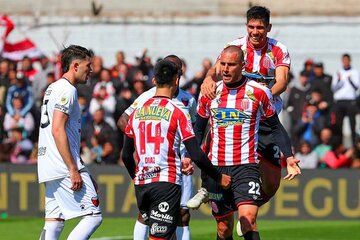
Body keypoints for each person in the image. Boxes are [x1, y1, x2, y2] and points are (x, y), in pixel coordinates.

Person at [189, 5, 301, 222]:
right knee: (213, 136)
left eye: (260, 27)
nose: (255, 31)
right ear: (246, 26)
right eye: (251, 26)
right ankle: (207, 187)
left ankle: (248, 206)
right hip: (235, 111)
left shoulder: (278, 50)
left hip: (266, 116)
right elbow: (215, 70)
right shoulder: (235, 46)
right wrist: (207, 80)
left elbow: (282, 81)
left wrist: (259, 97)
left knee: (271, 179)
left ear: (268, 28)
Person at [121, 59, 231, 240]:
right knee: (162, 236)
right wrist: (218, 176)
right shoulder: (178, 111)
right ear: (177, 80)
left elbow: (126, 155)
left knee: (158, 232)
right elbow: (195, 153)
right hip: (166, 182)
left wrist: (137, 177)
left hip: (142, 184)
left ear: (155, 79)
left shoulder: (137, 112)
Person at [118, 55, 197, 240]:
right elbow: (123, 120)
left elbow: (195, 129)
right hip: (158, 163)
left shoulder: (188, 100)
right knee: (146, 215)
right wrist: (142, 143)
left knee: (183, 214)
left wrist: (190, 156)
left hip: (182, 164)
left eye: (177, 68)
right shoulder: (147, 97)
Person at [37, 45, 102, 240]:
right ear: (75, 66)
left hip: (48, 164)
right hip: (62, 164)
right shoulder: (68, 90)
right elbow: (57, 129)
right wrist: (73, 169)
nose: (91, 70)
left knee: (54, 222)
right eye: (87, 65)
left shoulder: (52, 87)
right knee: (93, 216)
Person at [331, 53, 360, 146]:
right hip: (339, 101)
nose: (346, 62)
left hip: (350, 101)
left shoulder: (355, 72)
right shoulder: (338, 72)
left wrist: (350, 80)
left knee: (352, 125)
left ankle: (354, 146)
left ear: (350, 61)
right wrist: (339, 81)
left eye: (347, 60)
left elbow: (356, 87)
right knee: (338, 125)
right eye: (344, 60)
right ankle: (339, 146)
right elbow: (333, 88)